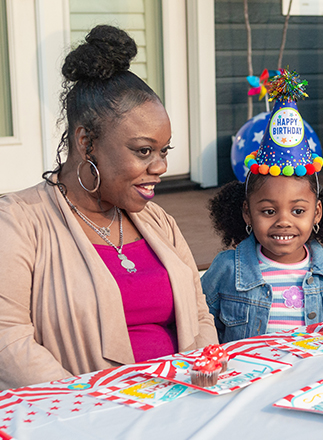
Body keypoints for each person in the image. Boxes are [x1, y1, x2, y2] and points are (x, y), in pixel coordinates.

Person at [0, 25, 217, 390]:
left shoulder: (158, 221)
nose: (161, 167)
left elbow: (199, 316)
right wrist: (97, 409)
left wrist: (201, 386)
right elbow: (9, 342)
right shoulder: (19, 223)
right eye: (143, 151)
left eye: (165, 152)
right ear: (86, 143)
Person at [201, 70, 323, 344]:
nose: (283, 221)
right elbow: (201, 329)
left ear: (317, 213)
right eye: (268, 211)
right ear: (247, 212)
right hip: (250, 382)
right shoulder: (227, 270)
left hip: (318, 383)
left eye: (298, 211)